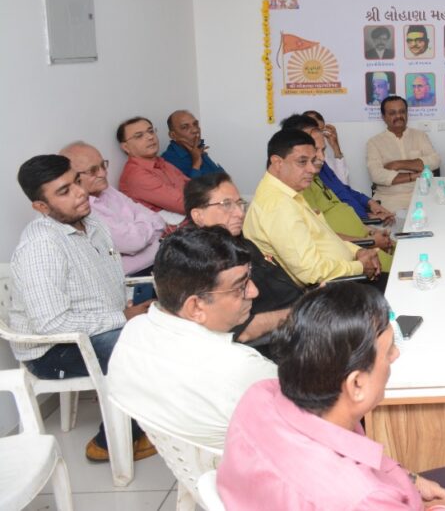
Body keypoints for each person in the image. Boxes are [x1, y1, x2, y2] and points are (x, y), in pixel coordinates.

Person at [218, 284, 445, 510]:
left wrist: (412, 479)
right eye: (388, 351)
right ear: (356, 384)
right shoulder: (364, 498)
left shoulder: (260, 394)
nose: (395, 356)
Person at [11, 155, 156, 462]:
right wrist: (122, 317)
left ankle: (155, 419)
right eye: (64, 191)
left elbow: (106, 281)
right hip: (51, 350)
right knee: (131, 348)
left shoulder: (93, 223)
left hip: (94, 327)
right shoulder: (42, 245)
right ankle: (108, 443)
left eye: (76, 181)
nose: (80, 193)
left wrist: (128, 307)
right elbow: (51, 324)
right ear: (41, 206)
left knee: (165, 320)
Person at [107, 227, 277, 449]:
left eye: (249, 278)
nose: (253, 291)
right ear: (195, 307)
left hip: (186, 463)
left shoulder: (134, 331)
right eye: (240, 286)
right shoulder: (242, 367)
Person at [243, 128, 382, 285]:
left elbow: (324, 238)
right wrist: (360, 267)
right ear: (277, 163)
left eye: (312, 161)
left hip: (345, 276)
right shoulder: (277, 205)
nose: (312, 169)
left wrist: (358, 251)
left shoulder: (289, 193)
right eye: (302, 162)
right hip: (331, 289)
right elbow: (312, 273)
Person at [185, 173, 304, 342]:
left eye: (239, 203)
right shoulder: (199, 261)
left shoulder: (245, 244)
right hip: (283, 338)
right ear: (198, 215)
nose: (240, 213)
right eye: (226, 204)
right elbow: (242, 331)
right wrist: (304, 312)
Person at [280, 115, 394, 281]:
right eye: (315, 150)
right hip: (355, 253)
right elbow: (321, 238)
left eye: (323, 150)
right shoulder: (298, 187)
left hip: (363, 239)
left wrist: (371, 231)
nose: (321, 157)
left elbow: (344, 193)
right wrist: (368, 242)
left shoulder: (316, 175)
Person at [61, 141, 166, 278]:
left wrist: (140, 238)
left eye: (103, 165)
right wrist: (143, 236)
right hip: (132, 278)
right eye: (93, 171)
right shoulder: (81, 210)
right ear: (72, 177)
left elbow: (159, 222)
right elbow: (133, 243)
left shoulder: (107, 189)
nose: (103, 173)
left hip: (159, 261)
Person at [367, 96, 441, 213]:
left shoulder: (420, 136)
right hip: (390, 199)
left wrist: (398, 164)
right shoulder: (374, 143)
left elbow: (435, 161)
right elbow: (376, 175)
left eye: (402, 111)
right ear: (383, 117)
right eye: (392, 113)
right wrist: (414, 176)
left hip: (423, 193)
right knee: (398, 223)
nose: (398, 116)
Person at [117, 115, 189, 216]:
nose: (150, 137)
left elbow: (192, 185)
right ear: (126, 147)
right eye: (139, 136)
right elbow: (183, 204)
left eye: (151, 131)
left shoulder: (160, 162)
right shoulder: (136, 175)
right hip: (182, 222)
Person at [161, 109, 226, 178]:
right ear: (173, 135)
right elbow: (191, 185)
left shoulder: (197, 148)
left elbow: (221, 177)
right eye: (185, 127)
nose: (195, 130)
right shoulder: (168, 161)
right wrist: (196, 163)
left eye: (195, 124)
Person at [303, 109, 349, 185]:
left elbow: (343, 183)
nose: (319, 135)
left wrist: (336, 147)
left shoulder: (322, 154)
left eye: (321, 131)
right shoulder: (297, 156)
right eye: (316, 130)